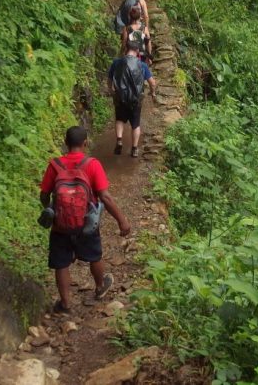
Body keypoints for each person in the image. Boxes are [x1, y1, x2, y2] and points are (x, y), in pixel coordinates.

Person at [39, 126, 131, 313]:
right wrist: (122, 220)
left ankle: (65, 303)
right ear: (85, 143)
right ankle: (99, 286)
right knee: (94, 255)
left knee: (61, 263)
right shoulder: (92, 164)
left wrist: (50, 208)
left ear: (66, 143)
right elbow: (105, 197)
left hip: (60, 225)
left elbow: (44, 194)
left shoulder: (55, 165)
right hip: (86, 223)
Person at [108, 40, 157, 157]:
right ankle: (134, 149)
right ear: (137, 51)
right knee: (135, 124)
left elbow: (109, 80)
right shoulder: (142, 65)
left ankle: (119, 140)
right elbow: (152, 83)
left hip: (120, 97)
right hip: (136, 99)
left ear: (126, 49)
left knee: (119, 119)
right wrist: (153, 93)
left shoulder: (116, 63)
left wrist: (111, 91)